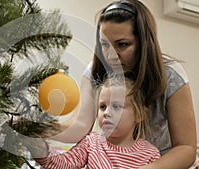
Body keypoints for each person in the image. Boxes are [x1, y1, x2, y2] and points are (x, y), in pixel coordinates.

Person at [50, 0, 197, 168]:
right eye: (104, 44)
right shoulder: (94, 72)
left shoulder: (171, 75)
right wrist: (33, 128)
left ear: (144, 44)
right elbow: (79, 126)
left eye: (122, 45)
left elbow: (186, 148)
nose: (111, 56)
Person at [31, 75, 161, 168]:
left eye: (116, 106)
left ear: (139, 115)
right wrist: (40, 151)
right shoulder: (91, 143)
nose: (107, 113)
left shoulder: (150, 155)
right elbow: (62, 164)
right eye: (102, 107)